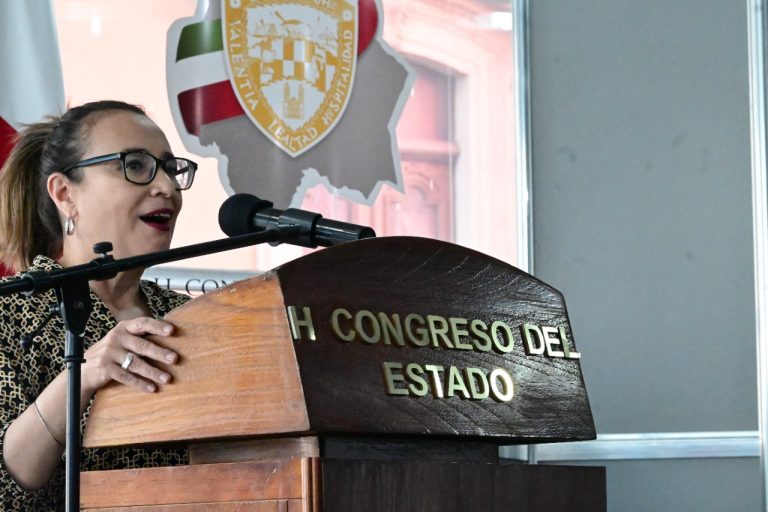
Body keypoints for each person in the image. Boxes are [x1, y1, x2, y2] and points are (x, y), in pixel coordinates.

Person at [0, 100, 199, 510]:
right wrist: (85, 376)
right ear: (65, 193)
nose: (166, 186)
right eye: (136, 165)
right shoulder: (12, 313)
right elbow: (5, 489)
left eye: (169, 168)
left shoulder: (193, 318)